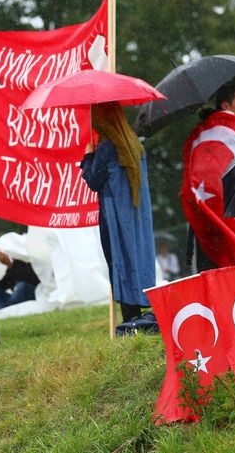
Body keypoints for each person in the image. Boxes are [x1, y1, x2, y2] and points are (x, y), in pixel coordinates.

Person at [80, 102, 156, 328]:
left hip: (115, 217)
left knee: (120, 260)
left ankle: (130, 320)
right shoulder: (134, 144)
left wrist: (88, 157)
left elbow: (94, 181)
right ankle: (138, 316)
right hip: (136, 216)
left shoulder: (107, 147)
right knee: (135, 258)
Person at [181, 83, 235, 271]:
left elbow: (188, 182)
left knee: (214, 282)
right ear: (226, 106)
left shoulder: (196, 135)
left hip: (205, 222)